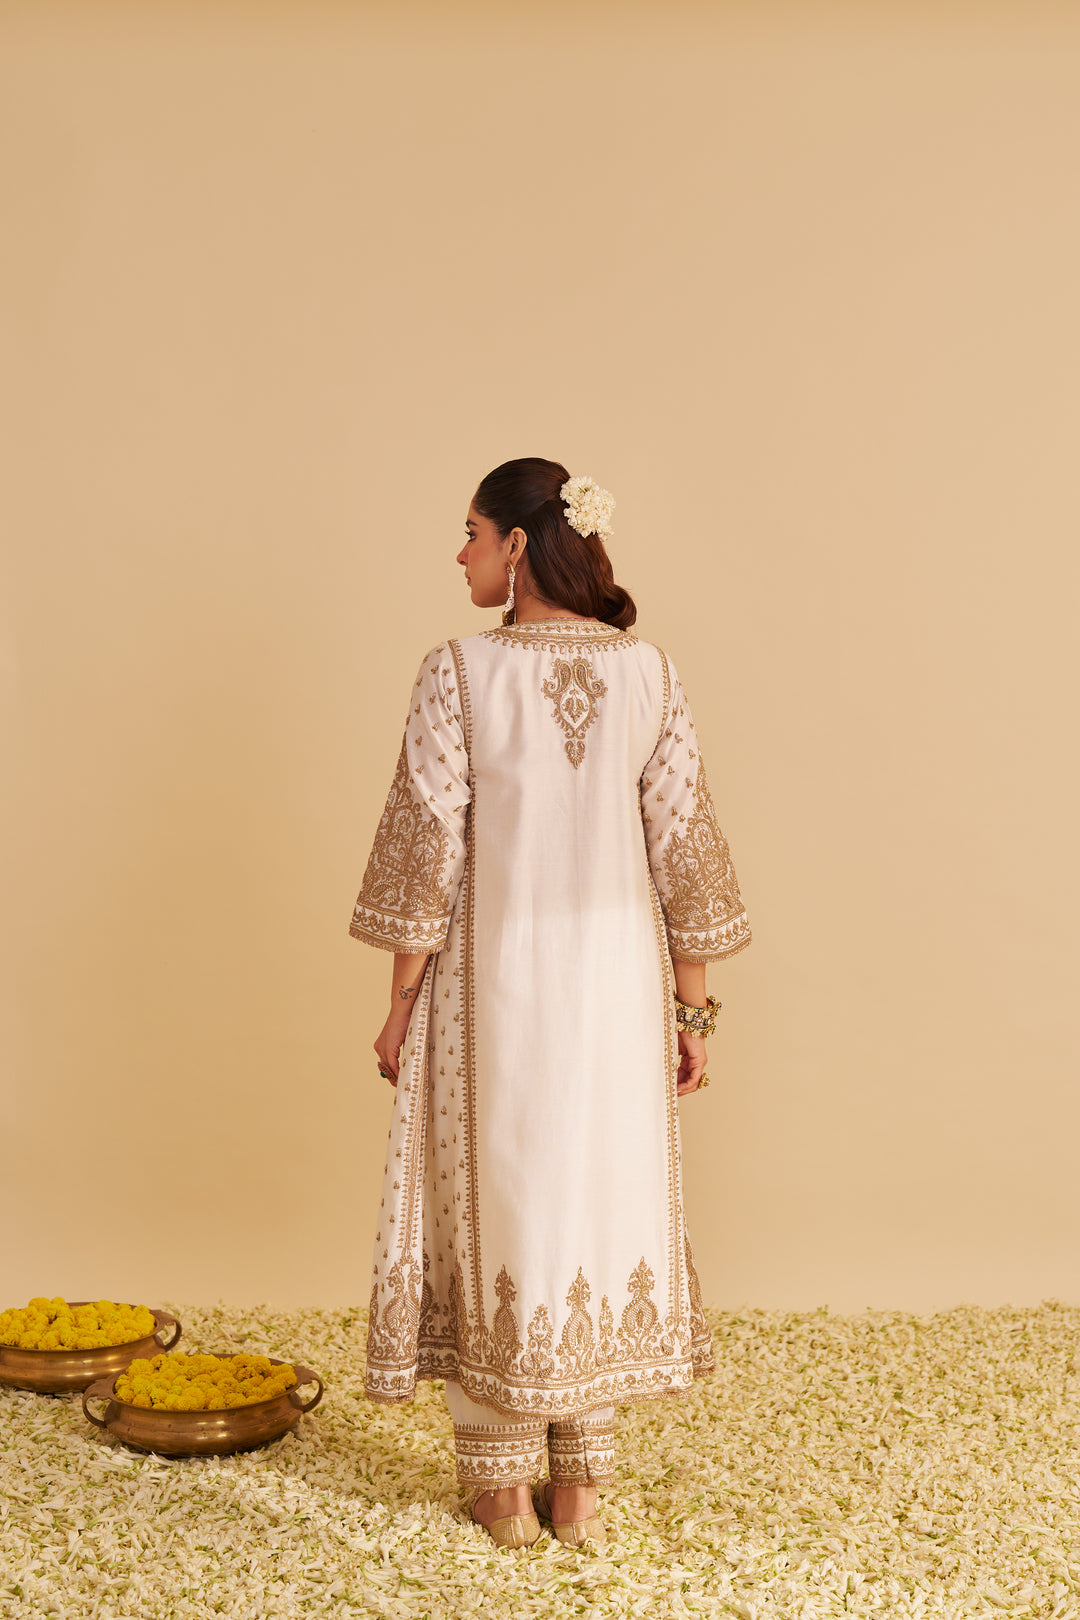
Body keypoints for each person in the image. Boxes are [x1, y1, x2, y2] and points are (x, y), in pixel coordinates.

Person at [348, 457, 752, 1550]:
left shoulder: (458, 674)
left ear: (520, 545)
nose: (462, 551)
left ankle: (499, 1489)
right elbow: (688, 849)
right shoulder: (652, 674)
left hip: (498, 992)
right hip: (617, 995)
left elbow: (423, 854)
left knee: (502, 1200)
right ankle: (578, 1492)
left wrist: (398, 1006)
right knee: (598, 1197)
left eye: (473, 531)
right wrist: (691, 1012)